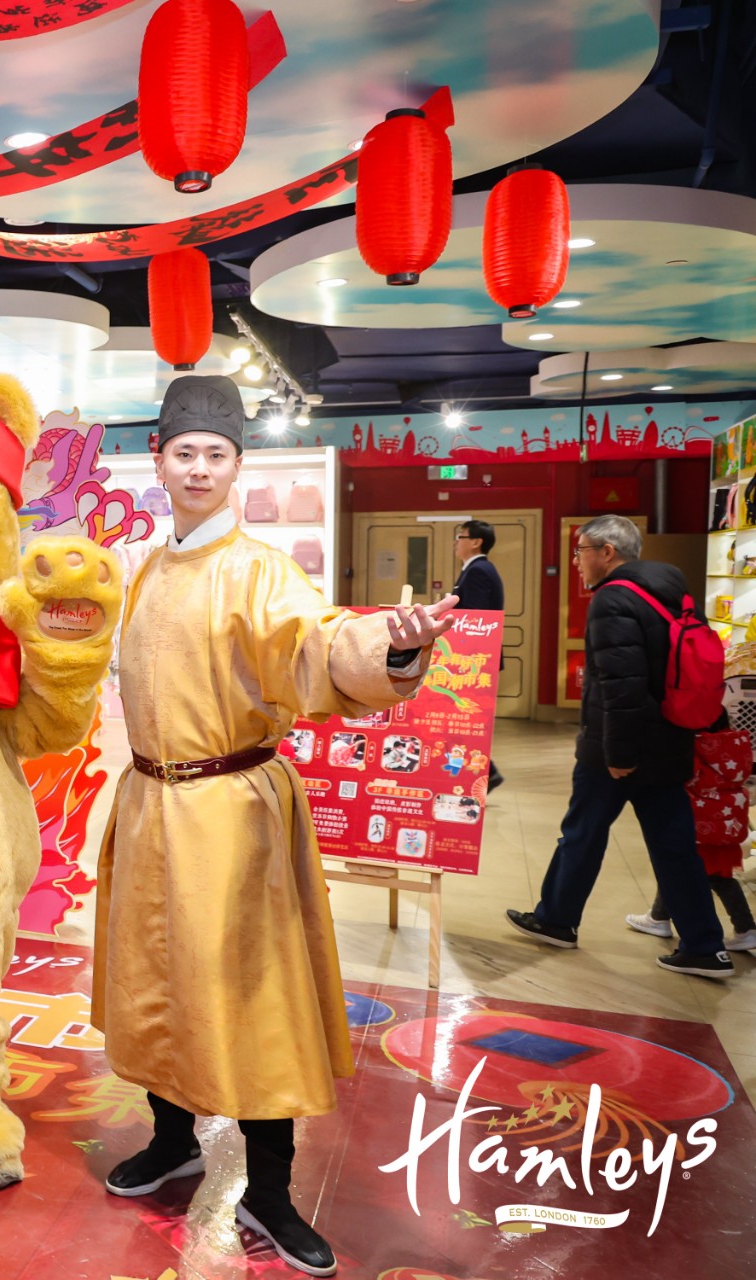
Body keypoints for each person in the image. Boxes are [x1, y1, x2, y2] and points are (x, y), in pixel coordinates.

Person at [94, 375, 453, 1278]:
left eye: (216, 455)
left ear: (238, 468)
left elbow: (317, 642)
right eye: (185, 453)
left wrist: (393, 644)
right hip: (149, 804)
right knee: (158, 982)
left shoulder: (258, 569)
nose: (199, 468)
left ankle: (272, 1189)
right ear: (159, 462)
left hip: (230, 819)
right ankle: (171, 1137)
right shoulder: (147, 568)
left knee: (254, 993)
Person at [506, 514, 732, 977]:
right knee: (675, 845)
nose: (576, 561)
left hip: (618, 749)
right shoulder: (674, 589)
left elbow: (622, 685)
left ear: (607, 552)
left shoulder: (613, 599)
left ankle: (556, 920)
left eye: (581, 551)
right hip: (672, 738)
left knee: (582, 833)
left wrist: (620, 756)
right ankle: (706, 946)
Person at [625, 712, 756, 950]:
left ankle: (746, 928)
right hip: (725, 826)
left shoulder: (698, 749)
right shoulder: (735, 747)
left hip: (700, 827)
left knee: (687, 871)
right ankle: (659, 917)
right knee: (711, 875)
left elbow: (683, 779)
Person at [454, 518, 505, 791]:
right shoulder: (475, 569)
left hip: (474, 661)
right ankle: (484, 771)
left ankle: (487, 772)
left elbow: (474, 618)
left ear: (476, 542)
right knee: (466, 721)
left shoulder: (479, 571)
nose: (456, 542)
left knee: (468, 721)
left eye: (461, 536)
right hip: (474, 660)